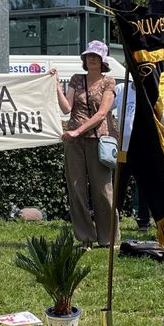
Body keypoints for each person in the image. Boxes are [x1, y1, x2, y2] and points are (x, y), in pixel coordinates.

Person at [53, 41, 117, 248]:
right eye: (88, 55)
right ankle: (85, 237)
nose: (91, 59)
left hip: (99, 141)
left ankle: (108, 238)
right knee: (76, 188)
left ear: (102, 61)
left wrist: (78, 131)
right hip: (74, 143)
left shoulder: (109, 82)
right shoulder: (76, 79)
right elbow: (66, 108)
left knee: (103, 190)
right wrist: (55, 86)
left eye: (96, 56)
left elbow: (102, 113)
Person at [113, 78, 151, 232]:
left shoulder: (150, 90)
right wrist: (111, 128)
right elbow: (105, 108)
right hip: (123, 148)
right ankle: (114, 217)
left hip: (143, 147)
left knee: (144, 185)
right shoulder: (121, 89)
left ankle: (144, 221)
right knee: (119, 183)